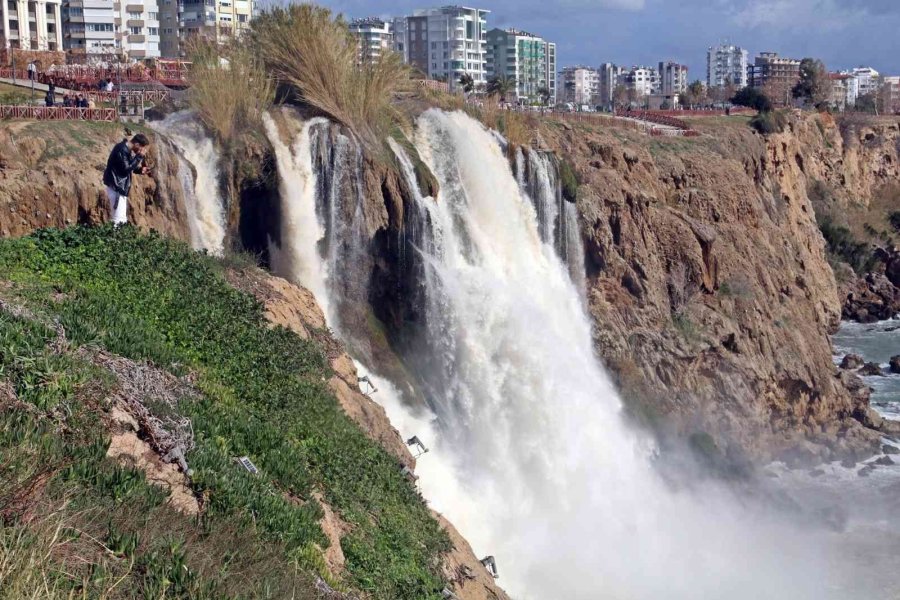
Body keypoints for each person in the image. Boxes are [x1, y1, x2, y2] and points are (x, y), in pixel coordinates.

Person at [103, 133, 151, 226]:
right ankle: (114, 240)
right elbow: (125, 169)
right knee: (119, 220)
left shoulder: (125, 149)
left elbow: (125, 166)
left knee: (121, 219)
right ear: (136, 144)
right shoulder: (122, 149)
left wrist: (140, 170)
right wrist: (139, 156)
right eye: (142, 148)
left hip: (118, 187)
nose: (142, 151)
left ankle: (116, 239)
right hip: (116, 188)